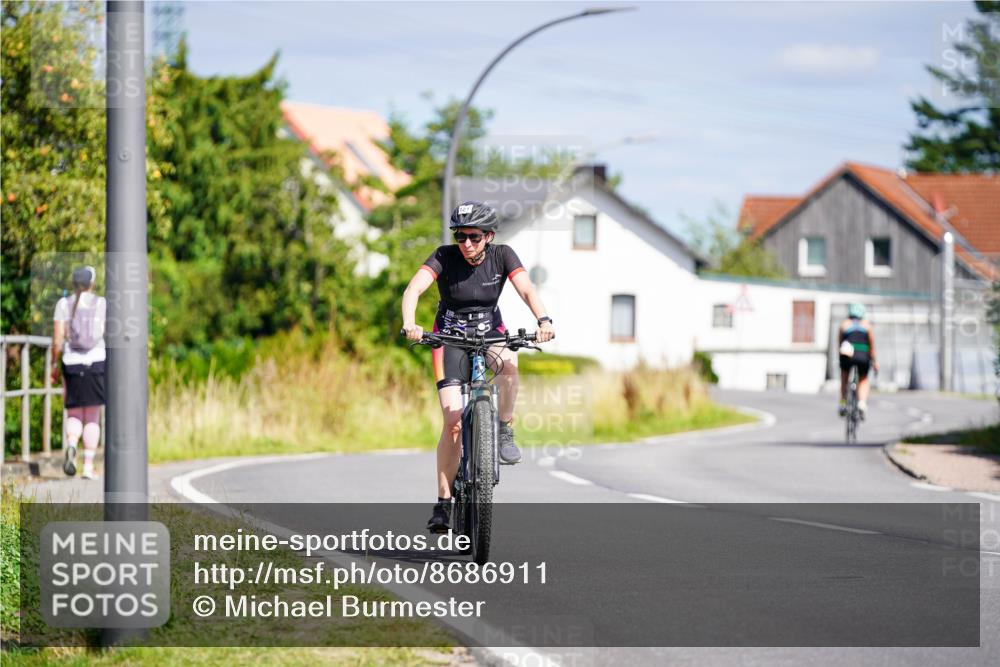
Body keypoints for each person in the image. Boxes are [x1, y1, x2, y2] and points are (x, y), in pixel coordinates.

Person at [401, 201, 555, 532]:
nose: (466, 243)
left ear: (488, 236)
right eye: (460, 236)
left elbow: (527, 288)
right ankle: (443, 503)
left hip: (490, 335)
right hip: (449, 339)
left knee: (511, 365)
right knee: (453, 421)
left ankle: (504, 428)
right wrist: (410, 322)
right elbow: (414, 288)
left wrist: (543, 319)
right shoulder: (443, 256)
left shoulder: (504, 255)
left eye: (473, 236)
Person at [51, 266, 107, 479]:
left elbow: (57, 340)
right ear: (91, 283)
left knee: (74, 412)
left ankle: (72, 445)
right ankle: (88, 466)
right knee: (92, 415)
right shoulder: (101, 303)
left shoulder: (63, 304)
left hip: (71, 362)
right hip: (95, 362)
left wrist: (55, 366)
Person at [838, 302, 878, 419]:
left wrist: (840, 360)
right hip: (863, 354)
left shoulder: (844, 324)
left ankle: (843, 402)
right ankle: (861, 403)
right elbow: (872, 347)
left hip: (847, 354)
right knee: (864, 379)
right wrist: (875, 362)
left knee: (844, 377)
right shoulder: (867, 326)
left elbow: (840, 344)